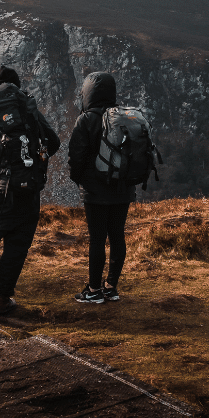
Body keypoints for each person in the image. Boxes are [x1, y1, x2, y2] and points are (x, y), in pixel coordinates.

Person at [0, 66, 61, 318]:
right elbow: (54, 141)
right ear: (16, 84)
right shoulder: (29, 108)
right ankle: (3, 300)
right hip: (29, 191)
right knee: (16, 248)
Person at [68, 72, 133, 304]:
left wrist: (80, 180)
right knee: (117, 236)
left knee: (97, 239)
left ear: (88, 92)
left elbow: (76, 156)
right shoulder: (125, 117)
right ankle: (111, 287)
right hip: (123, 189)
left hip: (95, 192)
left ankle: (94, 290)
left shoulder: (86, 119)